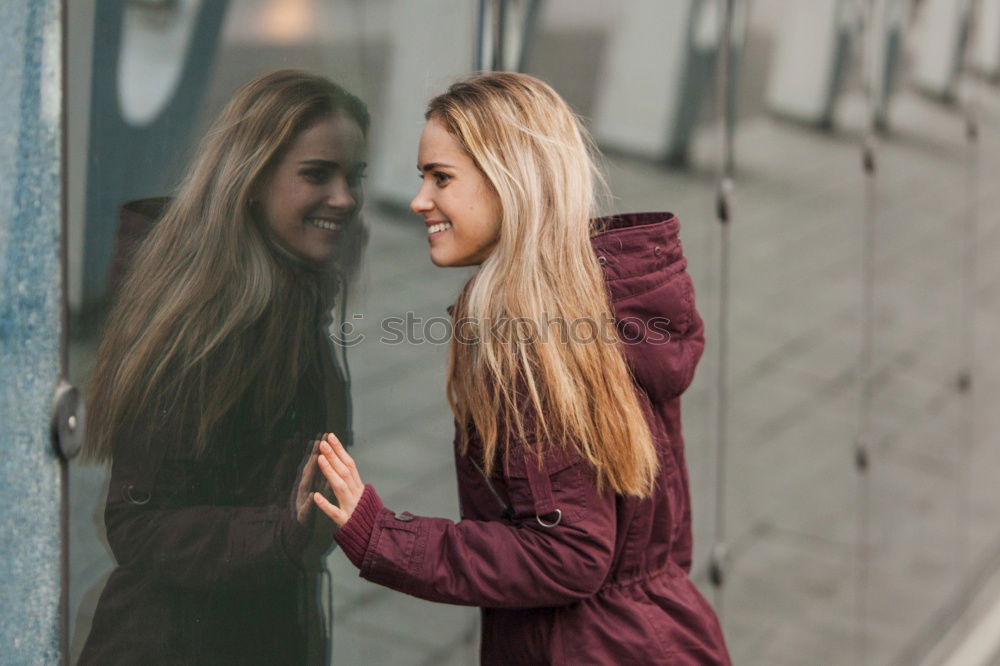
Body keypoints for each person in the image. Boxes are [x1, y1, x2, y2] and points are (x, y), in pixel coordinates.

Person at [312, 72, 731, 665]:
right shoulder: (599, 314)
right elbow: (658, 535)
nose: (419, 200)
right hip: (660, 633)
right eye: (421, 177)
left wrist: (381, 534)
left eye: (442, 178)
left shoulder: (532, 347)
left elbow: (570, 553)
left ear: (511, 184)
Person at [78, 69, 368, 665]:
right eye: (317, 174)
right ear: (252, 179)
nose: (344, 197)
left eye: (353, 177)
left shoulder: (290, 297)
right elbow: (137, 523)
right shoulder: (208, 329)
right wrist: (281, 528)